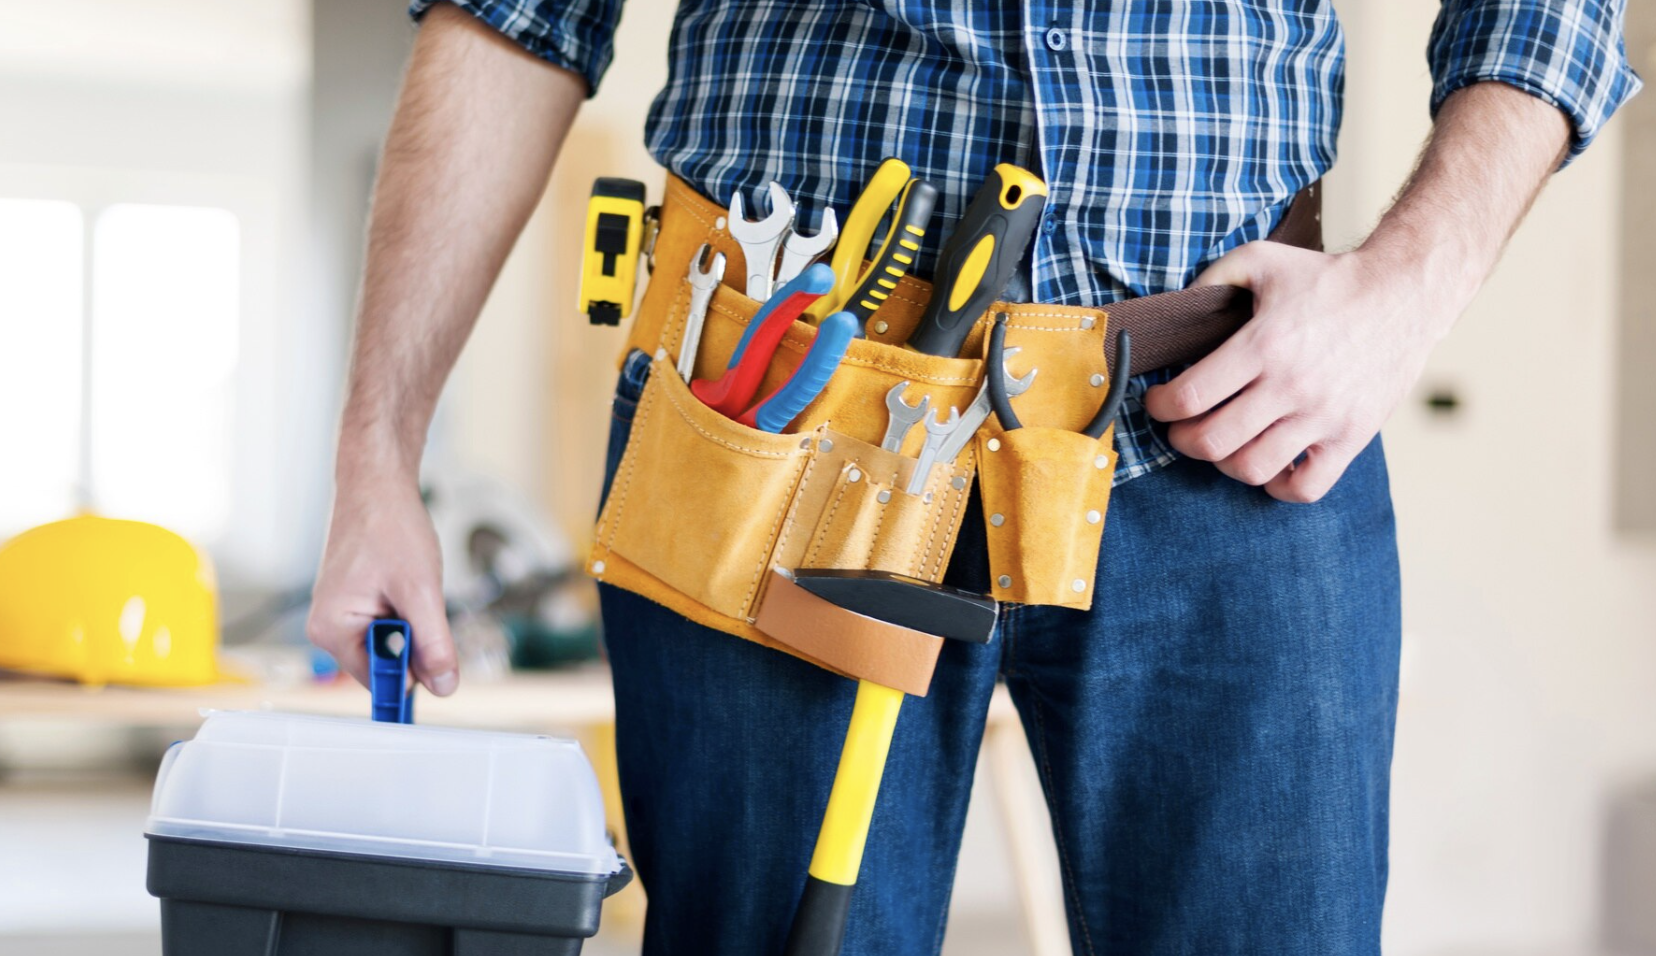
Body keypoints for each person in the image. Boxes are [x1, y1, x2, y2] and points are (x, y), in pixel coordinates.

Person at [307, 1, 1639, 952]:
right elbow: (509, 17)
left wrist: (1403, 293)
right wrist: (376, 451)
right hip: (775, 444)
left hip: (1239, 427)